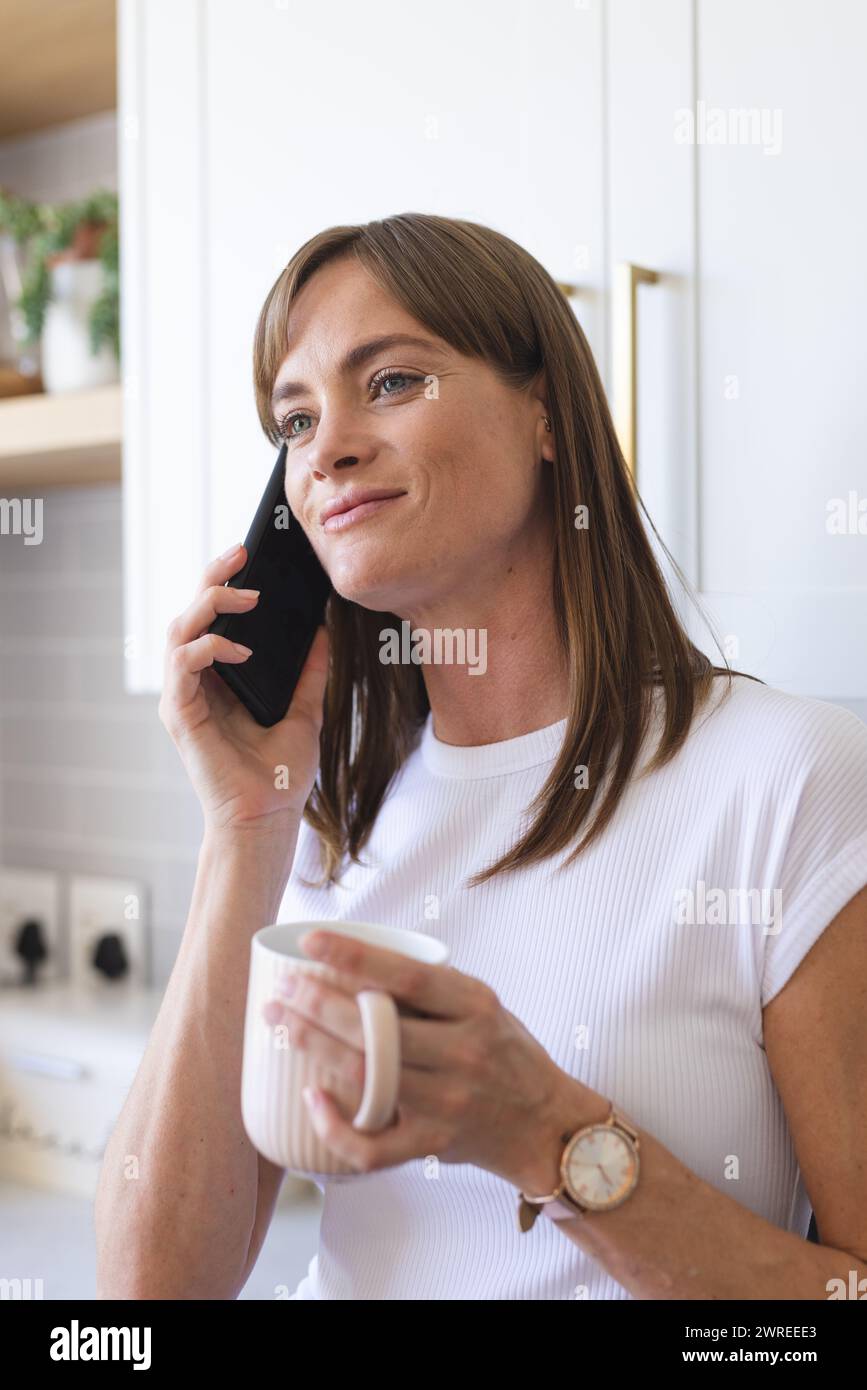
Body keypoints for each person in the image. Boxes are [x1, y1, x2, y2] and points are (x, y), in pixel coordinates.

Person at [95, 212, 867, 1300]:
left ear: (547, 413)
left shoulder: (789, 782)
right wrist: (246, 829)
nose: (327, 448)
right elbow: (146, 1298)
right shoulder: (322, 822)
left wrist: (545, 1133)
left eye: (394, 381)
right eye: (295, 418)